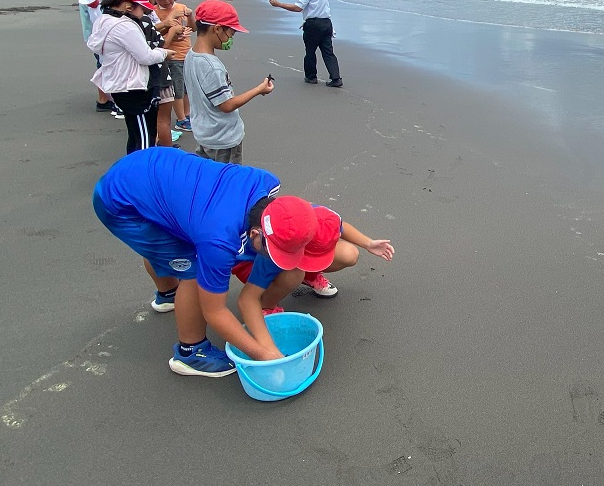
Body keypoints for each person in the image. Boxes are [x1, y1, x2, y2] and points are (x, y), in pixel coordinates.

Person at [92, 148, 393, 376]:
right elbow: (215, 311)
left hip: (159, 173)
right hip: (121, 201)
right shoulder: (218, 239)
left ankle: (167, 293)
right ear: (253, 233)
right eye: (273, 250)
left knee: (175, 246)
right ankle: (190, 352)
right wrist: (263, 355)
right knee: (194, 274)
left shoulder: (266, 185)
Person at [232, 198, 393, 303]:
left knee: (350, 253)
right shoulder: (273, 243)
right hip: (254, 260)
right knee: (293, 275)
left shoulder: (309, 215)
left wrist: (368, 243)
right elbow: (247, 299)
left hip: (281, 247)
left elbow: (340, 227)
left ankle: (309, 275)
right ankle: (267, 305)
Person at [86, 0, 174, 154]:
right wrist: (164, 53)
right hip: (133, 89)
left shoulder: (104, 19)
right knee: (144, 139)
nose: (145, 11)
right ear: (127, 6)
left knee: (135, 134)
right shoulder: (125, 27)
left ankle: (132, 172)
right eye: (142, 7)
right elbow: (146, 56)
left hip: (120, 85)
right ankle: (139, 177)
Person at [184, 0, 273, 164]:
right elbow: (227, 105)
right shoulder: (212, 67)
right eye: (230, 34)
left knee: (209, 178)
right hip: (223, 138)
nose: (230, 39)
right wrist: (259, 89)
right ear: (217, 29)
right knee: (228, 183)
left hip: (204, 134)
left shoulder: (191, 55)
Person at [268, 0, 343, 87]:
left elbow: (298, 7)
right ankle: (336, 78)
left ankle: (311, 76)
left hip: (313, 24)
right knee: (328, 52)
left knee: (310, 51)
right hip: (326, 23)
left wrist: (279, 4)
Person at [152, 0, 196, 133]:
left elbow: (193, 28)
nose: (167, 1)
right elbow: (157, 37)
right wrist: (173, 34)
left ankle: (187, 114)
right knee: (177, 89)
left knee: (186, 88)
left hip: (186, 53)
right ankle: (181, 119)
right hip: (172, 56)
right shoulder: (155, 13)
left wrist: (190, 16)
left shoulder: (181, 7)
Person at [77, 0, 113, 113]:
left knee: (102, 66)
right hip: (96, 36)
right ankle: (103, 99)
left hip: (93, 36)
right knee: (103, 67)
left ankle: (104, 99)